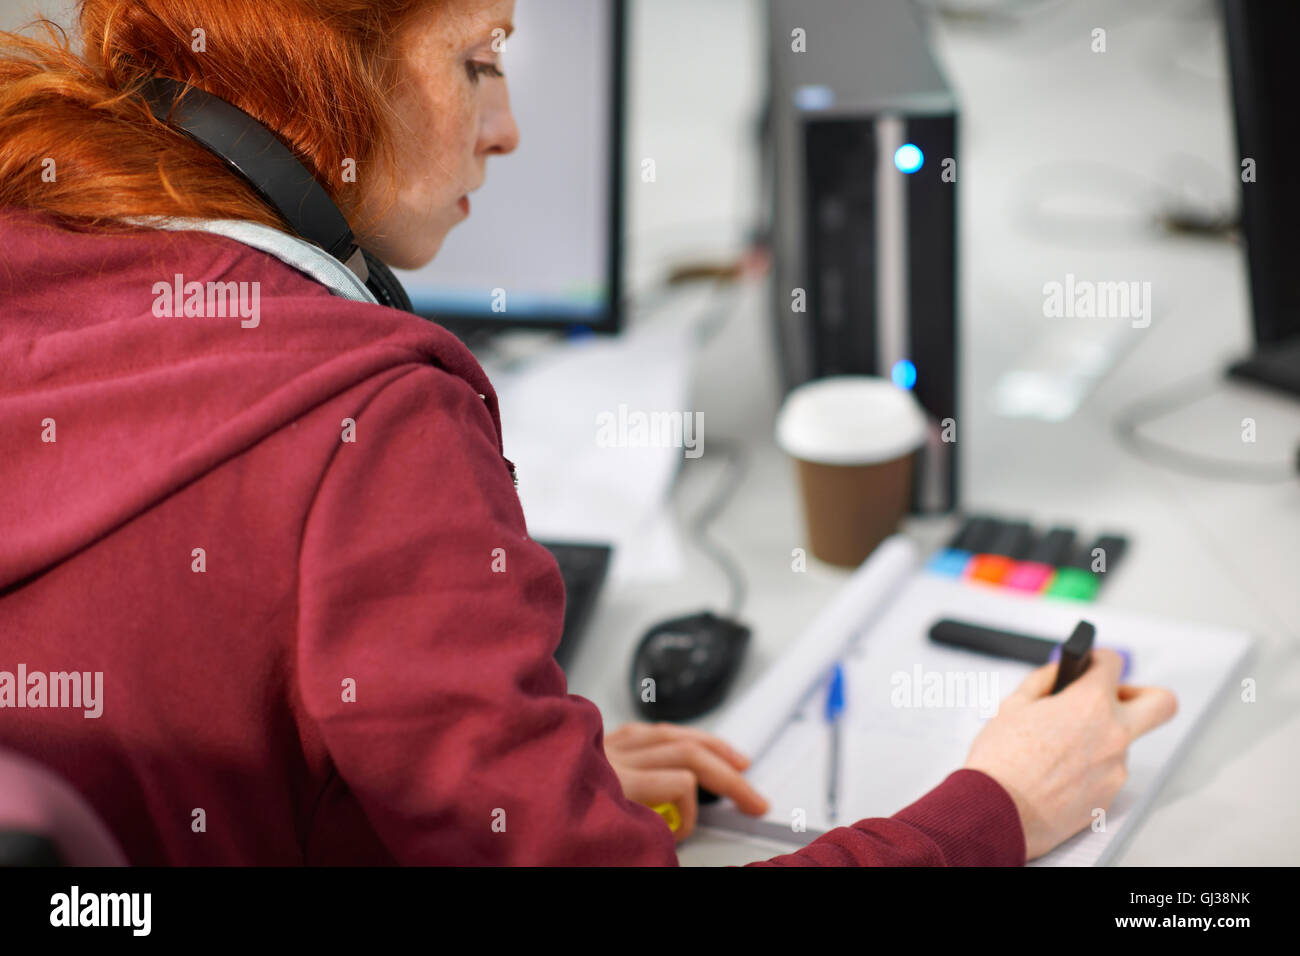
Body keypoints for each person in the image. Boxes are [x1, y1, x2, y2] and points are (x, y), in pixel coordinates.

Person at [0, 0, 1177, 866]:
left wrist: (483, 783)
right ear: (326, 69)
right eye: (476, 64)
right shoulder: (367, 422)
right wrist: (996, 810)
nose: (505, 131)